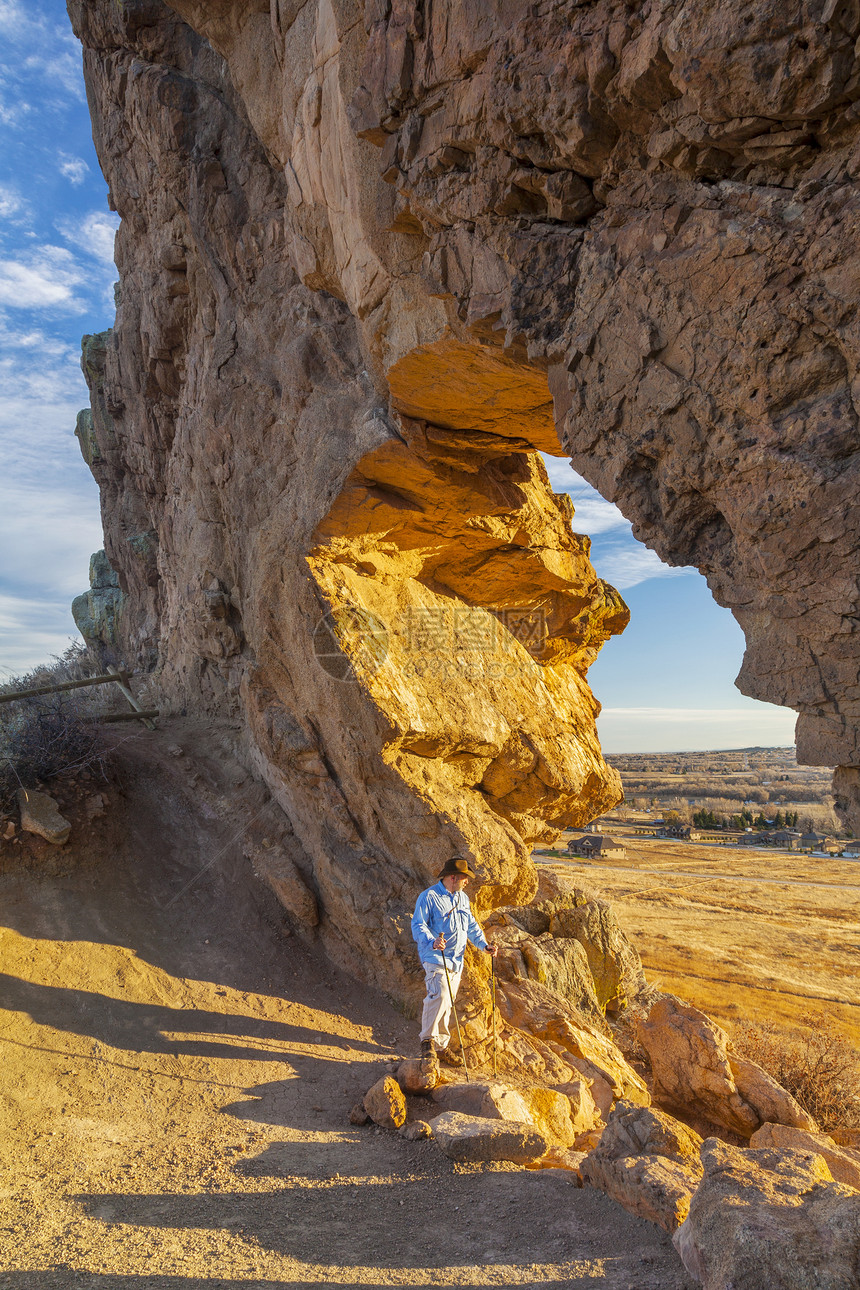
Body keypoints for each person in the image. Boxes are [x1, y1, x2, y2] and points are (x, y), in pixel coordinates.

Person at [411, 855, 498, 1061]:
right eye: (464, 877)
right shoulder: (429, 897)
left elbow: (471, 926)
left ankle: (440, 1048)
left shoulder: (462, 898)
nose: (467, 881)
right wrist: (432, 940)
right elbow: (418, 925)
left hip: (456, 961)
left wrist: (483, 945)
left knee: (447, 1002)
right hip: (435, 956)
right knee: (439, 996)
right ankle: (427, 1042)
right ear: (452, 877)